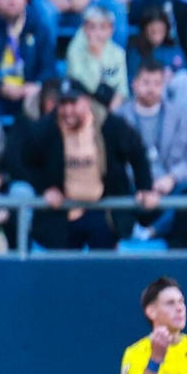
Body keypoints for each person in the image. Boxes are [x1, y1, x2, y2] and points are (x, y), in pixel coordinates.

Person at [18, 78, 154, 250]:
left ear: (86, 101)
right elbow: (23, 161)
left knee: (102, 262)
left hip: (103, 209)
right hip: (63, 212)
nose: (68, 110)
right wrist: (44, 189)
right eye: (63, 103)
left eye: (73, 103)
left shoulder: (109, 124)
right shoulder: (47, 127)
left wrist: (145, 188)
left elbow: (137, 152)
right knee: (64, 263)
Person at [116, 59, 187, 212]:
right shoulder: (118, 117)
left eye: (157, 83)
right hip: (131, 186)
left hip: (173, 185)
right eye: (146, 83)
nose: (151, 89)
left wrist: (172, 177)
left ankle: (153, 226)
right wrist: (140, 181)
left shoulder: (182, 116)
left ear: (164, 85)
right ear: (134, 84)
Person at [126, 10, 187, 105]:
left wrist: (170, 75)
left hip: (174, 94)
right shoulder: (136, 51)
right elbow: (132, 80)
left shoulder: (172, 47)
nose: (157, 33)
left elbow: (186, 74)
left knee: (184, 79)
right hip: (148, 93)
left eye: (160, 29)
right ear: (145, 29)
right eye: (153, 29)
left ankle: (186, 115)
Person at [64, 4, 127, 109]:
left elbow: (122, 89)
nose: (97, 33)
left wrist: (112, 110)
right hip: (81, 102)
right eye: (92, 27)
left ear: (111, 30)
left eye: (103, 27)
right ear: (85, 28)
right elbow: (87, 87)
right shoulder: (75, 51)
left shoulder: (118, 53)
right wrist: (96, 54)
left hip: (109, 105)